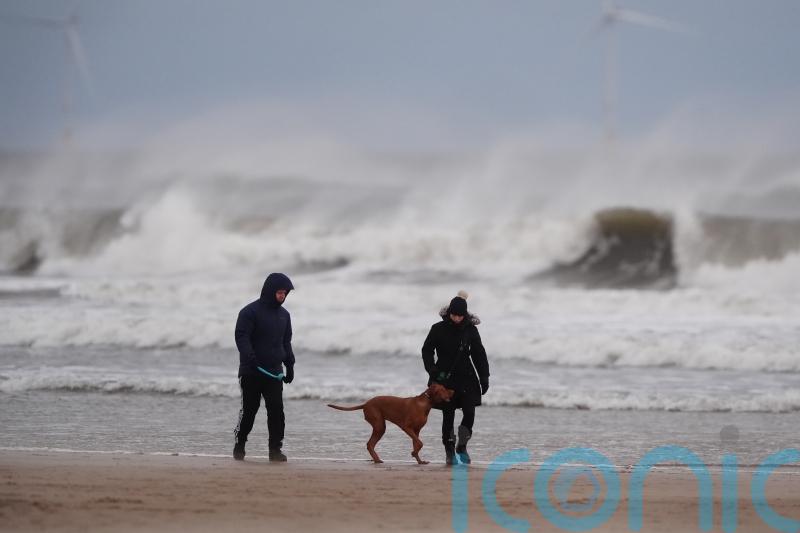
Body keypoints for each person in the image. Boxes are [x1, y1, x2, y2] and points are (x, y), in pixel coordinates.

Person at [233, 272, 296, 462]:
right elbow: (241, 336)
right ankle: (240, 444)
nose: (282, 296)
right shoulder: (249, 312)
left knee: (277, 412)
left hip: (274, 372)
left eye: (285, 293)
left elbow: (286, 342)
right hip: (252, 371)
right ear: (270, 291)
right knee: (249, 411)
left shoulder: (285, 316)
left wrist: (290, 365)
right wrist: (249, 356)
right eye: (279, 292)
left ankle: (275, 450)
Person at [421, 291, 490, 465]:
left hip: (467, 378)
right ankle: (449, 449)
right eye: (453, 315)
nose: (456, 318)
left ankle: (462, 446)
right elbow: (426, 350)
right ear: (449, 313)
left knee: (469, 413)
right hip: (444, 379)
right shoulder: (438, 329)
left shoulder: (471, 330)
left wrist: (484, 376)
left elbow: (479, 354)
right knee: (448, 415)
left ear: (465, 315)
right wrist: (433, 371)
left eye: (460, 316)